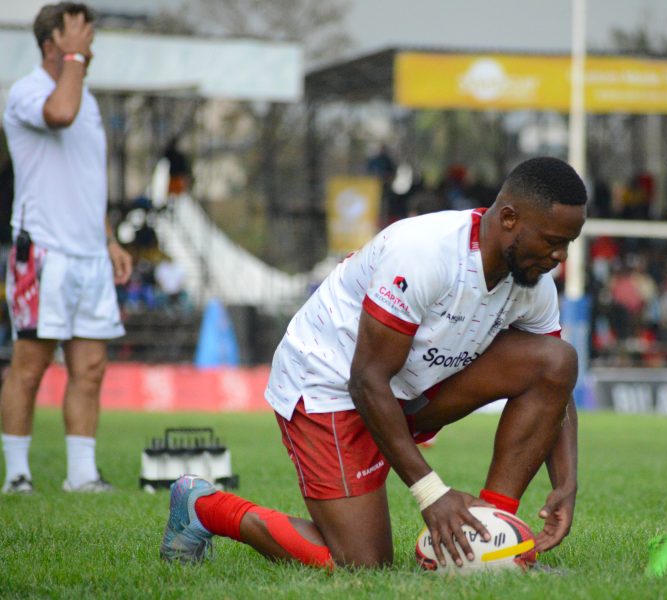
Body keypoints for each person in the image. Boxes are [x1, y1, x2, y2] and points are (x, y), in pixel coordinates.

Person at [160, 157, 587, 569]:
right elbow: (365, 380)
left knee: (554, 359)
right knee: (364, 564)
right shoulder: (425, 253)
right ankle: (204, 507)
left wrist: (566, 484)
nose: (561, 257)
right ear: (509, 218)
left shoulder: (533, 283)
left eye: (568, 243)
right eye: (552, 241)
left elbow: (556, 381)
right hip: (329, 385)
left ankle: (490, 545)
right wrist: (431, 493)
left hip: (405, 387)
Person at [1, 3, 133, 494]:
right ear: (52, 42)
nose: (90, 47)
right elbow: (60, 113)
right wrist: (73, 62)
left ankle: (82, 475)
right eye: (81, 36)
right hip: (44, 254)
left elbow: (84, 182)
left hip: (89, 256)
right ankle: (16, 475)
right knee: (30, 366)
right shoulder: (27, 93)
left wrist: (108, 239)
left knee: (91, 368)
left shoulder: (90, 101)